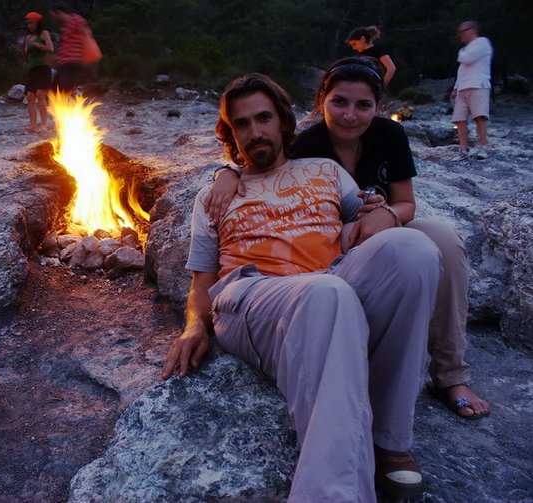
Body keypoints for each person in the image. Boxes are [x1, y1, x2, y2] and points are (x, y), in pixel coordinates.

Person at [162, 73, 441, 502]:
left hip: (330, 286)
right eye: (242, 124)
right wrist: (193, 327)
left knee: (412, 251)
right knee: (326, 295)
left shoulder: (326, 170)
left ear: (282, 123)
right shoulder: (212, 197)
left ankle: (388, 442)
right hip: (252, 295)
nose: (255, 131)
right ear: (231, 134)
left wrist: (380, 212)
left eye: (263, 118)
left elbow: (368, 213)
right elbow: (202, 279)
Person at [209, 57, 491, 421]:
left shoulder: (389, 135)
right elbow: (261, 158)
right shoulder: (306, 145)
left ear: (377, 108)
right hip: (345, 242)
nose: (350, 115)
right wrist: (226, 174)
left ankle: (450, 374)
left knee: (443, 238)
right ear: (321, 101)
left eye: (363, 105)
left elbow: (407, 204)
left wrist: (385, 212)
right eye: (339, 102)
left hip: (384, 225)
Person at [451, 20, 493, 161]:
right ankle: (463, 149)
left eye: (463, 31)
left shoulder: (482, 42)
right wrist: (455, 88)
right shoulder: (465, 48)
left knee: (479, 117)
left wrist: (461, 53)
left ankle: (483, 146)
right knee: (459, 119)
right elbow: (462, 70)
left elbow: (467, 59)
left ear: (472, 30)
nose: (460, 35)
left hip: (478, 85)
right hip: (463, 87)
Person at [23, 12, 54, 133]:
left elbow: (50, 48)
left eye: (31, 23)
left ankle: (44, 125)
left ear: (37, 23)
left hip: (43, 67)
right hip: (32, 68)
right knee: (30, 96)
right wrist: (24, 48)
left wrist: (35, 44)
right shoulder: (28, 38)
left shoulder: (44, 33)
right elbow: (27, 54)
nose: (29, 25)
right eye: (27, 23)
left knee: (41, 94)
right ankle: (33, 125)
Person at [49, 5, 91, 93]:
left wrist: (86, 57)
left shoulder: (75, 19)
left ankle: (71, 104)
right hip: (64, 63)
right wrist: (57, 58)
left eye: (54, 17)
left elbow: (87, 33)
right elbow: (65, 45)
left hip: (73, 62)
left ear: (59, 12)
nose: (54, 20)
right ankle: (64, 105)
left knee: (62, 89)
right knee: (53, 90)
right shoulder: (64, 27)